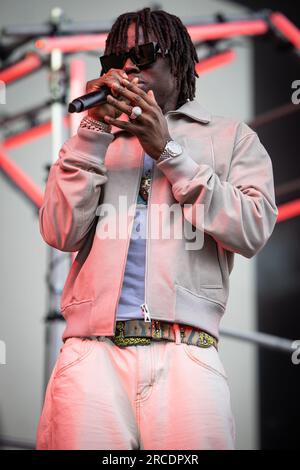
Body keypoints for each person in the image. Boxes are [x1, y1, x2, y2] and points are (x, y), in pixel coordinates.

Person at [36, 7, 278, 450]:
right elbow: (58, 231)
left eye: (143, 53)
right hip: (92, 356)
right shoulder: (92, 139)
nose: (127, 66)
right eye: (115, 58)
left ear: (178, 62)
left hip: (187, 354)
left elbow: (253, 228)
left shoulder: (231, 138)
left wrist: (168, 151)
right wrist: (92, 133)